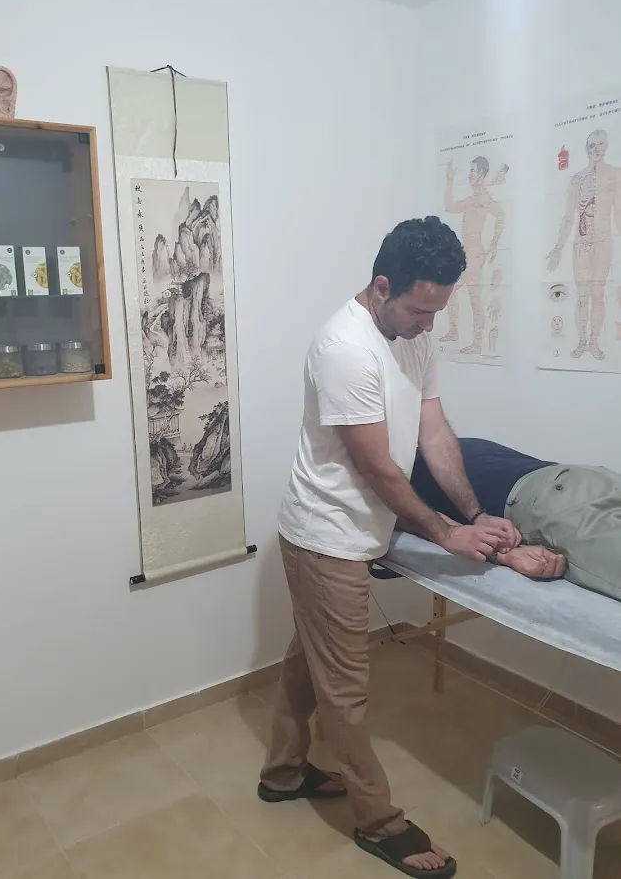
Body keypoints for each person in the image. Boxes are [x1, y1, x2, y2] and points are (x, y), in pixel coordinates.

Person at [259, 217, 520, 879]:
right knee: (345, 689)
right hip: (325, 537)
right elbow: (376, 467)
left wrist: (474, 513)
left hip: (355, 529)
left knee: (310, 659)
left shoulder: (413, 335)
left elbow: (434, 432)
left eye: (437, 311)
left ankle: (282, 773)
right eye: (420, 310)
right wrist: (445, 533)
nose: (429, 325)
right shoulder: (344, 348)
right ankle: (378, 823)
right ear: (382, 287)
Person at [410, 437, 621, 600]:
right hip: (590, 478)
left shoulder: (404, 479)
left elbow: (426, 524)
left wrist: (504, 555)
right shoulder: (460, 443)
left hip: (551, 503)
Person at [546, 129, 621, 361]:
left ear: (606, 146)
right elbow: (568, 217)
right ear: (586, 149)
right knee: (582, 296)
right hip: (581, 245)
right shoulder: (577, 179)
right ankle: (581, 342)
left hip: (603, 242)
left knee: (598, 295)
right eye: (592, 145)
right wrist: (558, 247)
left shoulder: (615, 174)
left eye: (600, 144)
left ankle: (594, 343)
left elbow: (619, 213)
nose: (596, 149)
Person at [441, 156, 506, 355]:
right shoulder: (472, 199)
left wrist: (494, 242)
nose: (469, 175)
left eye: (473, 171)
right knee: (451, 290)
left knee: (474, 298)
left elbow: (500, 214)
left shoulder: (483, 198)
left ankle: (477, 343)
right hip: (466, 253)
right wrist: (450, 181)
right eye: (469, 170)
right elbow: (449, 207)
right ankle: (454, 331)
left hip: (475, 254)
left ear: (481, 174)